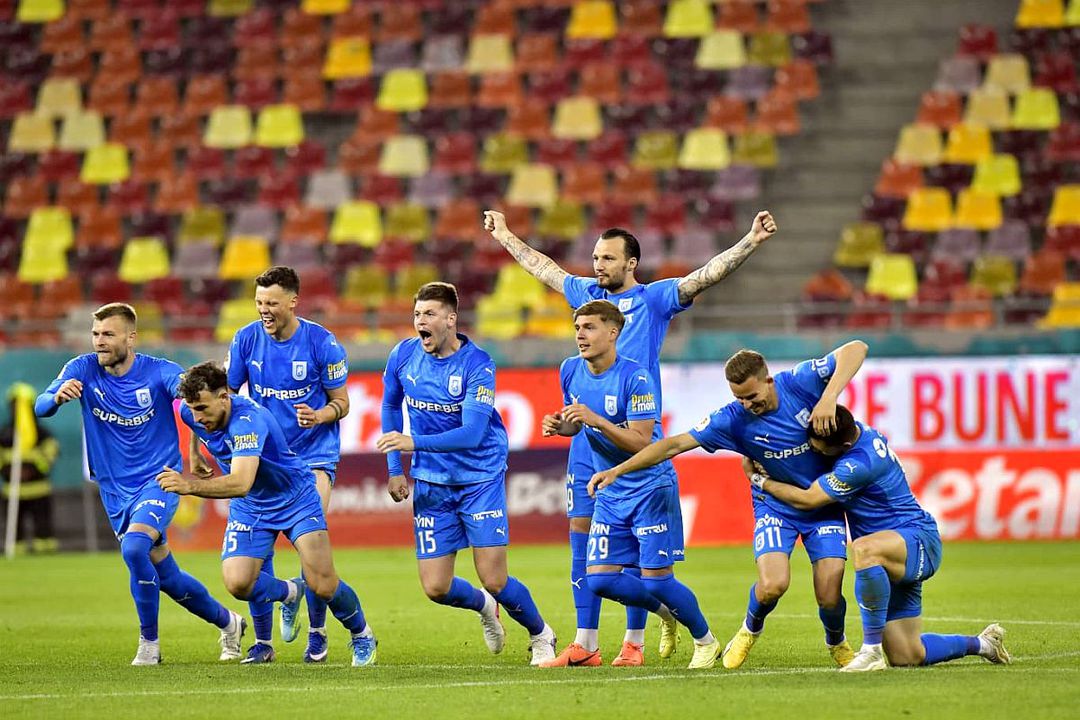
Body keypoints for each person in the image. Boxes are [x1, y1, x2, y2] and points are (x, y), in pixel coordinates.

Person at [483, 208, 777, 666]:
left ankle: (634, 641)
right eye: (595, 257)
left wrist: (750, 241)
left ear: (631, 263)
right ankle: (586, 642)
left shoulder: (654, 299)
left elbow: (704, 276)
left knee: (642, 554)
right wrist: (504, 235)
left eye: (608, 258)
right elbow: (545, 268)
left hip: (635, 433)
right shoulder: (586, 299)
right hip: (588, 443)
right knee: (582, 535)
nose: (598, 265)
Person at [591, 343, 870, 669]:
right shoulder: (731, 419)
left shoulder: (799, 382)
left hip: (821, 505)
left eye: (752, 396)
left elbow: (856, 348)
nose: (747, 405)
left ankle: (836, 642)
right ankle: (750, 629)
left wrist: (828, 397)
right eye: (740, 398)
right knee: (773, 585)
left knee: (830, 593)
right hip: (775, 506)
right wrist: (618, 470)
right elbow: (673, 445)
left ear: (768, 380)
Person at [34, 303, 244, 666]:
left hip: (157, 480)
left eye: (108, 334)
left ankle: (149, 644)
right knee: (168, 577)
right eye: (96, 334)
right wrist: (55, 396)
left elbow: (191, 403)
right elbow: (40, 407)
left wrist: (196, 448)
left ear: (131, 338)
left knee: (134, 549)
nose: (99, 341)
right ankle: (229, 623)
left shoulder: (159, 372)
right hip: (115, 489)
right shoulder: (81, 368)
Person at [749, 405, 1011, 672]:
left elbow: (809, 499)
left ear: (844, 446)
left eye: (820, 451)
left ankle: (871, 651)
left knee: (864, 549)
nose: (815, 454)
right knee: (906, 655)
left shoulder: (858, 465)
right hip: (889, 554)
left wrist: (759, 480)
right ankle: (983, 644)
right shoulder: (854, 434)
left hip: (916, 539)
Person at [377, 282, 557, 665]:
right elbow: (390, 406)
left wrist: (413, 443)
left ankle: (541, 634)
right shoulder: (403, 355)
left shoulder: (478, 365)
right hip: (432, 481)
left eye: (429, 314)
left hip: (479, 478)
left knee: (495, 578)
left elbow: (472, 434)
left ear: (450, 319)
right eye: (416, 314)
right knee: (436, 587)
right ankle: (484, 606)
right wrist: (395, 469)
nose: (420, 321)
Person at [160, 361, 377, 667]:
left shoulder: (248, 422)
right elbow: (194, 420)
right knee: (238, 582)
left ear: (224, 397)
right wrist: (194, 452)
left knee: (323, 584)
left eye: (203, 409)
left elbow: (241, 482)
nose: (197, 417)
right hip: (252, 506)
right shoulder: (194, 411)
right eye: (193, 409)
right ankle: (291, 592)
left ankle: (362, 633)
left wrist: (188, 485)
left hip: (295, 498)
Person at [544, 301, 722, 669]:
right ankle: (665, 612)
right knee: (600, 580)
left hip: (649, 488)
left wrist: (596, 420)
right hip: (611, 491)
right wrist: (564, 427)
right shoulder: (570, 370)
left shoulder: (635, 377)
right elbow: (577, 422)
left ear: (613, 333)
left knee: (657, 581)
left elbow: (642, 441)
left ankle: (706, 640)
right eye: (577, 327)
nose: (580, 335)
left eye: (589, 327)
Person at [216, 265, 350, 663]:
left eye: (272, 303)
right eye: (259, 302)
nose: (264, 310)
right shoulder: (246, 339)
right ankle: (263, 641)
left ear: (293, 301)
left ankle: (318, 633)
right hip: (265, 457)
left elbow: (342, 402)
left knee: (312, 548)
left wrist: (320, 415)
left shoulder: (322, 342)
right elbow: (225, 396)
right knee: (257, 552)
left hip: (312, 457)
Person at [1, 382, 59, 554]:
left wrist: (32, 469)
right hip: (12, 491)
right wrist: (7, 470)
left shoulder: (43, 434)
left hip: (39, 490)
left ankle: (46, 553)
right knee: (14, 529)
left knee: (43, 528)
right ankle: (17, 554)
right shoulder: (5, 434)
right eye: (14, 405)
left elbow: (50, 455)